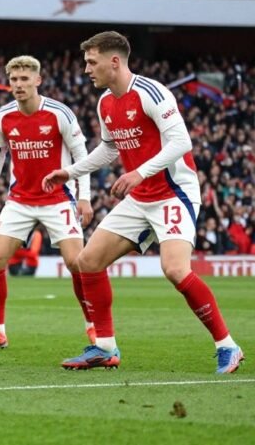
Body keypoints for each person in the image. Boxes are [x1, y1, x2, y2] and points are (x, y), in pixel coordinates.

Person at [43, 31, 244, 374]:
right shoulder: (105, 101)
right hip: (141, 195)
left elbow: (181, 142)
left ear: (114, 61)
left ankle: (227, 345)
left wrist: (139, 172)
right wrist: (71, 171)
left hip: (173, 193)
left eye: (92, 62)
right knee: (87, 261)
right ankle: (105, 348)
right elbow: (109, 148)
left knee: (175, 269)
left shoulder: (151, 92)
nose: (86, 69)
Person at [0, 55, 95, 351]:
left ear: (37, 81)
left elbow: (82, 156)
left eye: (24, 79)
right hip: (20, 199)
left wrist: (84, 197)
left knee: (77, 264)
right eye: (14, 79)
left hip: (58, 198)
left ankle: (93, 327)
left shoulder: (59, 114)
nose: (18, 85)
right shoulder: (3, 116)